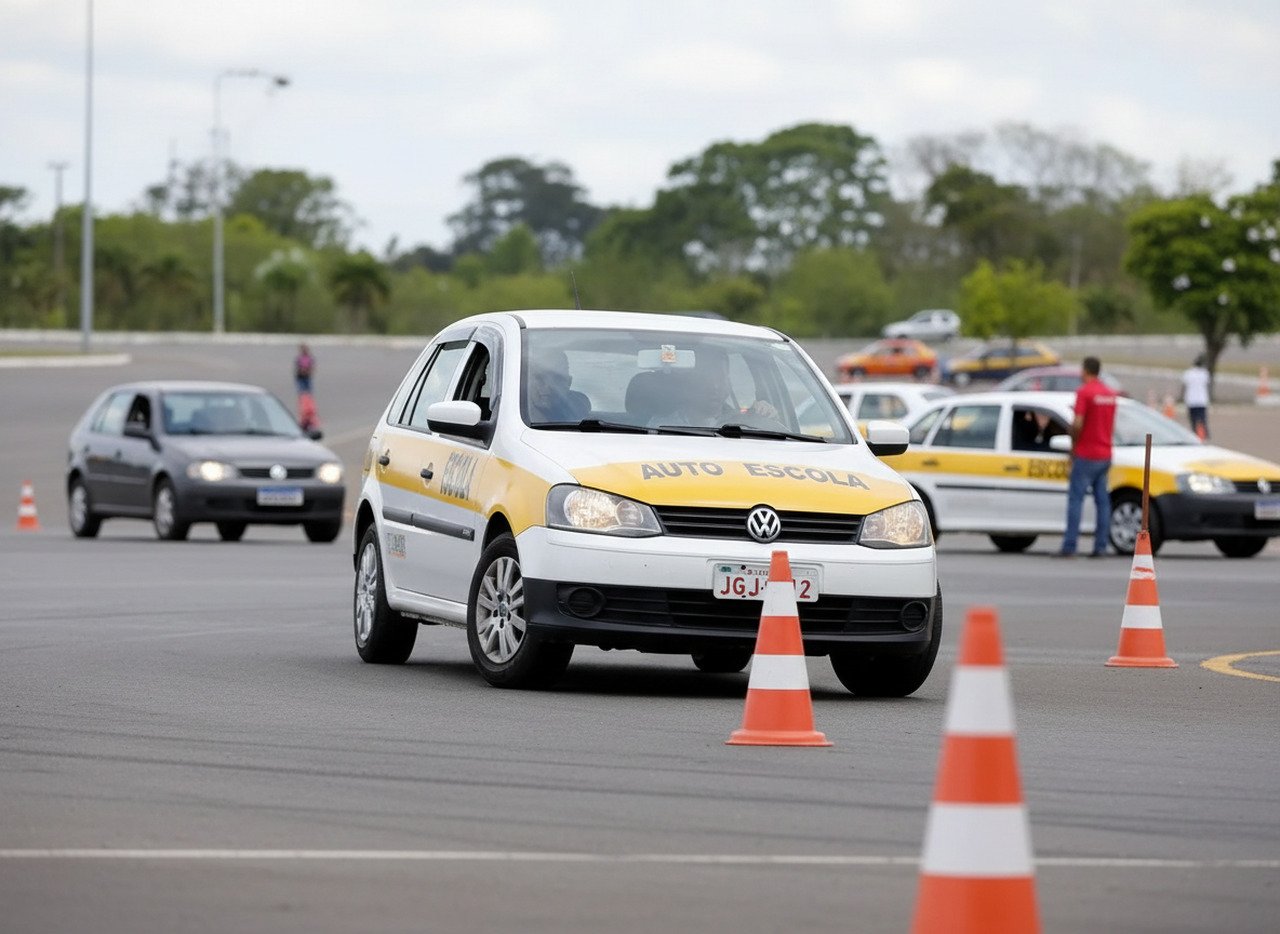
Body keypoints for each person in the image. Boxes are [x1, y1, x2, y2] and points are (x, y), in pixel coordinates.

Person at [1059, 356, 1118, 557]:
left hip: (1087, 453)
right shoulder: (1110, 394)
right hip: (1105, 453)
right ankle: (1100, 546)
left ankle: (1070, 545)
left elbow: (1077, 423)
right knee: (1103, 501)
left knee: (1076, 499)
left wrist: (1073, 446)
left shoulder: (1084, 393)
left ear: (1085, 370)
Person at [527, 349, 589, 423]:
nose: (548, 386)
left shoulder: (580, 410)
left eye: (556, 379)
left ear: (569, 382)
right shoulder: (515, 417)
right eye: (540, 378)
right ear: (527, 381)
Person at [1181, 354, 1211, 439]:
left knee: (1193, 419)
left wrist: (1181, 396)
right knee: (1202, 418)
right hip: (1201, 400)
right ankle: (1205, 434)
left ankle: (1194, 434)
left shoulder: (1188, 373)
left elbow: (1184, 386)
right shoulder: (1204, 373)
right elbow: (1207, 385)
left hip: (1191, 400)